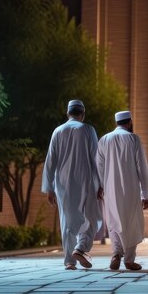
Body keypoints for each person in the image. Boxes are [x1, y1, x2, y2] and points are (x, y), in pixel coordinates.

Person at [42, 100, 102, 270]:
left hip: (62, 183)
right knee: (91, 218)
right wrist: (101, 184)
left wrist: (49, 188)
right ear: (82, 114)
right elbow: (96, 159)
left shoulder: (57, 131)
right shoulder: (88, 130)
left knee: (67, 221)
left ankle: (69, 261)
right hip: (86, 180)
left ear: (68, 113)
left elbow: (50, 161)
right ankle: (81, 247)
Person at [96, 111, 148, 271]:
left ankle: (115, 253)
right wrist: (144, 193)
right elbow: (142, 167)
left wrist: (101, 185)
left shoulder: (105, 139)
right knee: (132, 222)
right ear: (130, 121)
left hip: (110, 189)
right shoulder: (133, 139)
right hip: (131, 188)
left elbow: (99, 166)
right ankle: (129, 259)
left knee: (114, 221)